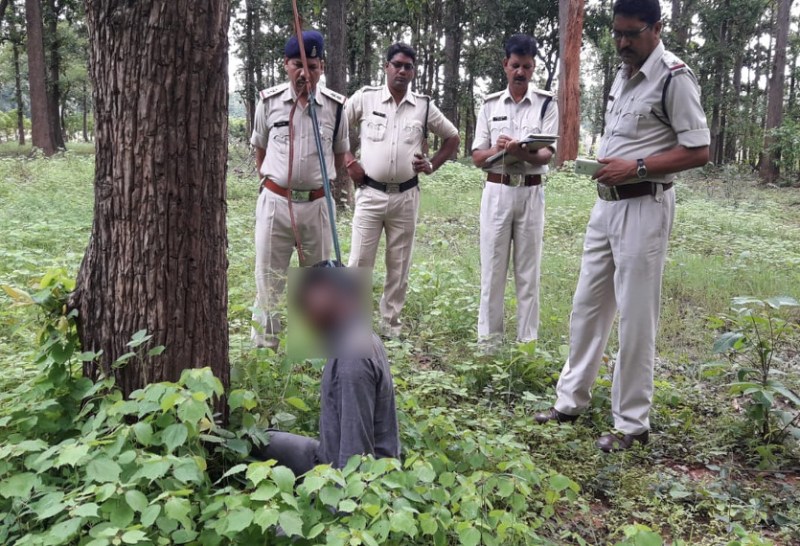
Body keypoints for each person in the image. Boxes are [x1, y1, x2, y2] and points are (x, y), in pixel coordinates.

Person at [535, 0, 710, 452]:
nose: (622, 42)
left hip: (645, 205)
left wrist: (635, 167)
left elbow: (698, 149)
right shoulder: (622, 74)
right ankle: (569, 402)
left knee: (635, 316)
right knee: (587, 307)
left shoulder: (673, 77)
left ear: (656, 28)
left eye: (632, 33)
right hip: (606, 205)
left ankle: (632, 424)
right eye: (617, 33)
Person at [345, 43, 460, 338]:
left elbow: (452, 137)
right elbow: (336, 127)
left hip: (406, 197)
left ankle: (390, 326)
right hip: (370, 194)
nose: (402, 71)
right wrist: (348, 161)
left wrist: (431, 165)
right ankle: (355, 326)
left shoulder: (423, 106)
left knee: (398, 265)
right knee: (359, 262)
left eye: (408, 66)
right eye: (397, 64)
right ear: (386, 66)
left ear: (413, 72)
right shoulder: (366, 98)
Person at [250, 30, 349, 349]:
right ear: (286, 65)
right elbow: (261, 151)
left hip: (317, 207)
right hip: (276, 204)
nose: (305, 73)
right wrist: (281, 184)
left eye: (313, 67)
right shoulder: (269, 102)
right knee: (269, 282)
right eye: (298, 65)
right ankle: (265, 351)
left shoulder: (335, 107)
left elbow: (338, 156)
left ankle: (316, 352)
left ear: (322, 68)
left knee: (319, 284)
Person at [254, 262, 401, 475]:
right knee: (259, 438)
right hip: (330, 453)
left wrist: (335, 491)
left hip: (354, 473)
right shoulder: (356, 336)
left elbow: (355, 456)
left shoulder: (352, 358)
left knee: (257, 444)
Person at [471, 34, 558, 350]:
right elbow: (477, 157)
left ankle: (526, 345)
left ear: (534, 68)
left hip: (531, 193)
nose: (521, 72)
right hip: (497, 191)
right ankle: (488, 343)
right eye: (515, 65)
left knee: (528, 272)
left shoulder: (547, 103)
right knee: (492, 271)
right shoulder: (490, 104)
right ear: (505, 65)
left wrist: (521, 151)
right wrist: (499, 149)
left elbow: (547, 154)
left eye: (527, 66)